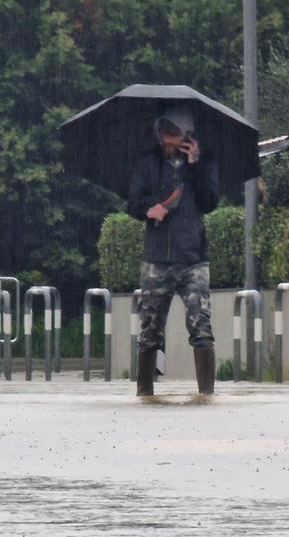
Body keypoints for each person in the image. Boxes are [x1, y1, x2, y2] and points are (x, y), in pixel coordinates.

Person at [127, 106, 220, 397]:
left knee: (200, 324)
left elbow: (209, 202)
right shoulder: (147, 164)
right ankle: (145, 391)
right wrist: (147, 209)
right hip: (157, 259)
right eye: (166, 133)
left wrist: (195, 165)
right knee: (150, 329)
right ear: (158, 133)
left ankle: (206, 393)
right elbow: (132, 203)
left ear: (188, 135)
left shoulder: (204, 164)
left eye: (176, 134)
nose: (170, 140)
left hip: (194, 258)